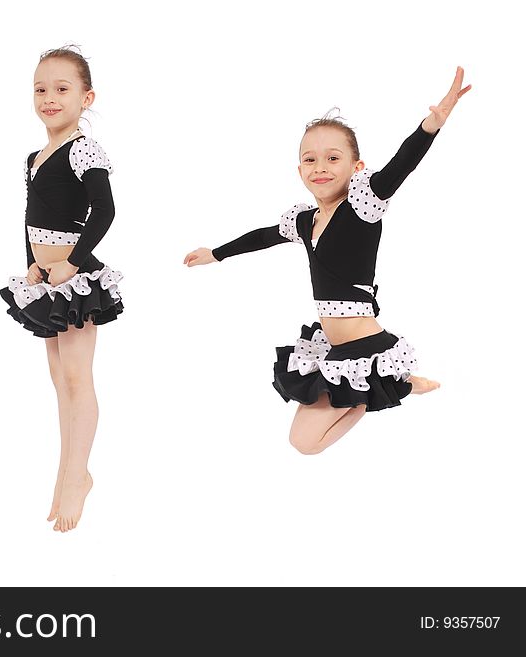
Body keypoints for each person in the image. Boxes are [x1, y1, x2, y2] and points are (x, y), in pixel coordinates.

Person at [184, 67, 470, 455]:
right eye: (310, 159)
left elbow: (401, 166)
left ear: (356, 168)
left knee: (304, 442)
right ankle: (395, 384)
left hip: (364, 345)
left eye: (333, 158)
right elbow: (264, 236)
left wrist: (430, 126)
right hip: (332, 349)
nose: (320, 167)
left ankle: (393, 382)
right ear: (299, 169)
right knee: (303, 441)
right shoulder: (305, 221)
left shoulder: (363, 206)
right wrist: (215, 254)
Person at [0, 46, 123, 532]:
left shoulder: (83, 147)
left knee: (77, 378)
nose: (49, 97)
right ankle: (67, 470)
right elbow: (31, 218)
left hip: (75, 277)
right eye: (40, 88)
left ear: (86, 97)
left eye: (62, 89)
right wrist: (31, 265)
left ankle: (78, 477)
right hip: (47, 280)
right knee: (58, 379)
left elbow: (105, 210)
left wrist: (71, 264)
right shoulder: (35, 156)